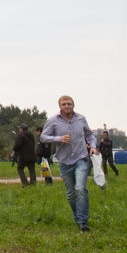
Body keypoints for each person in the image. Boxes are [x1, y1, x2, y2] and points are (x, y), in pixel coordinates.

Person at [40, 95, 98, 231]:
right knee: (71, 194)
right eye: (64, 104)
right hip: (64, 161)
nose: (67, 106)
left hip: (81, 158)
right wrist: (59, 138)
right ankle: (77, 216)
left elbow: (89, 134)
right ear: (60, 106)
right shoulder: (53, 121)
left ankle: (83, 222)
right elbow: (43, 137)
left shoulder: (81, 119)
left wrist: (93, 146)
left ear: (73, 105)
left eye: (69, 104)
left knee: (80, 189)